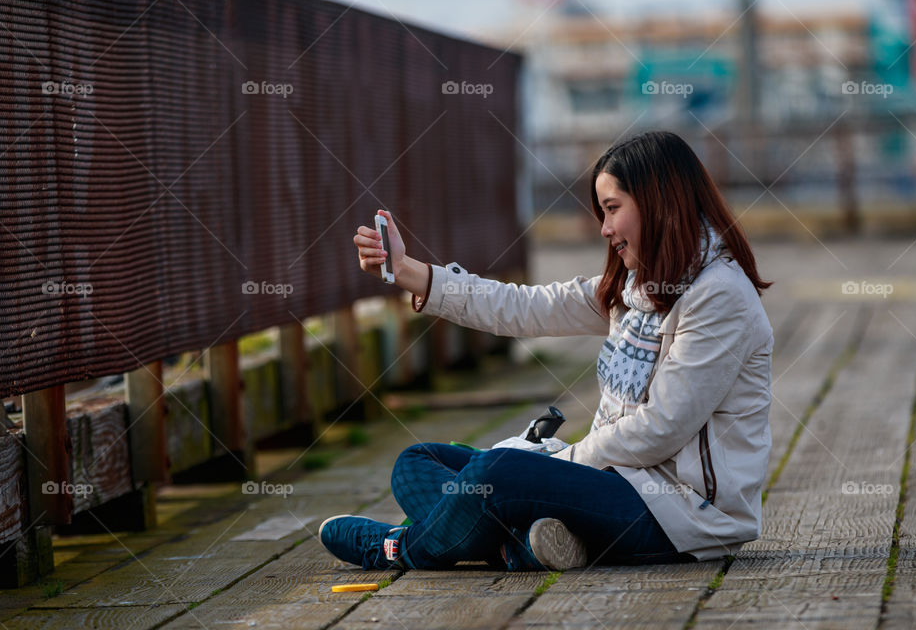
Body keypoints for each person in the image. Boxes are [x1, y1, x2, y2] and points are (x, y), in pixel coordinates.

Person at [320, 130, 773, 572]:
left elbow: (661, 429)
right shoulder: (638, 287)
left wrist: (555, 463)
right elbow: (526, 307)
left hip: (680, 514)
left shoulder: (719, 296)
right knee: (418, 463)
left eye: (613, 209)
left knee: (497, 472)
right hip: (615, 482)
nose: (605, 228)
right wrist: (409, 272)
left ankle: (399, 548)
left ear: (658, 202)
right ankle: (524, 544)